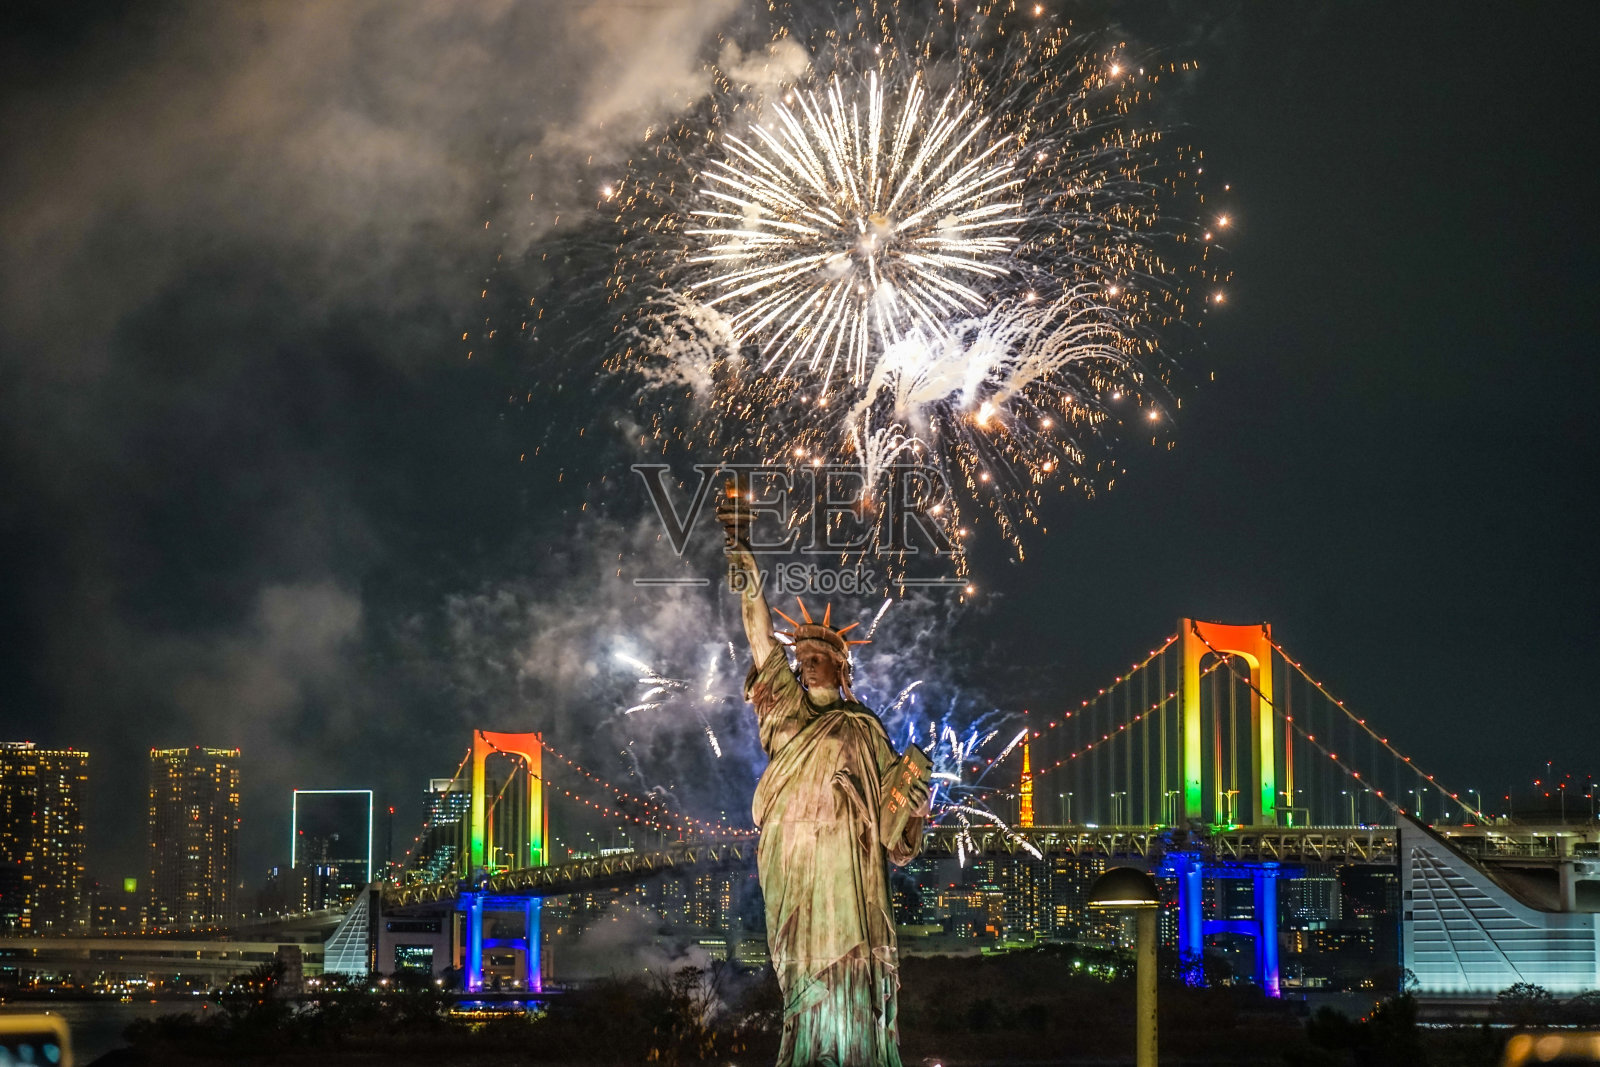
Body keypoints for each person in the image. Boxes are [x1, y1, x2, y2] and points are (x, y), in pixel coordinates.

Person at [718, 495, 930, 1067]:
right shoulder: (784, 708)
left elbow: (895, 821)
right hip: (793, 860)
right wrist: (742, 554)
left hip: (847, 864)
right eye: (802, 653)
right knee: (804, 973)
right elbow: (758, 632)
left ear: (843, 668)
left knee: (849, 968)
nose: (807, 658)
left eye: (820, 654)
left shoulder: (863, 728)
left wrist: (913, 792)